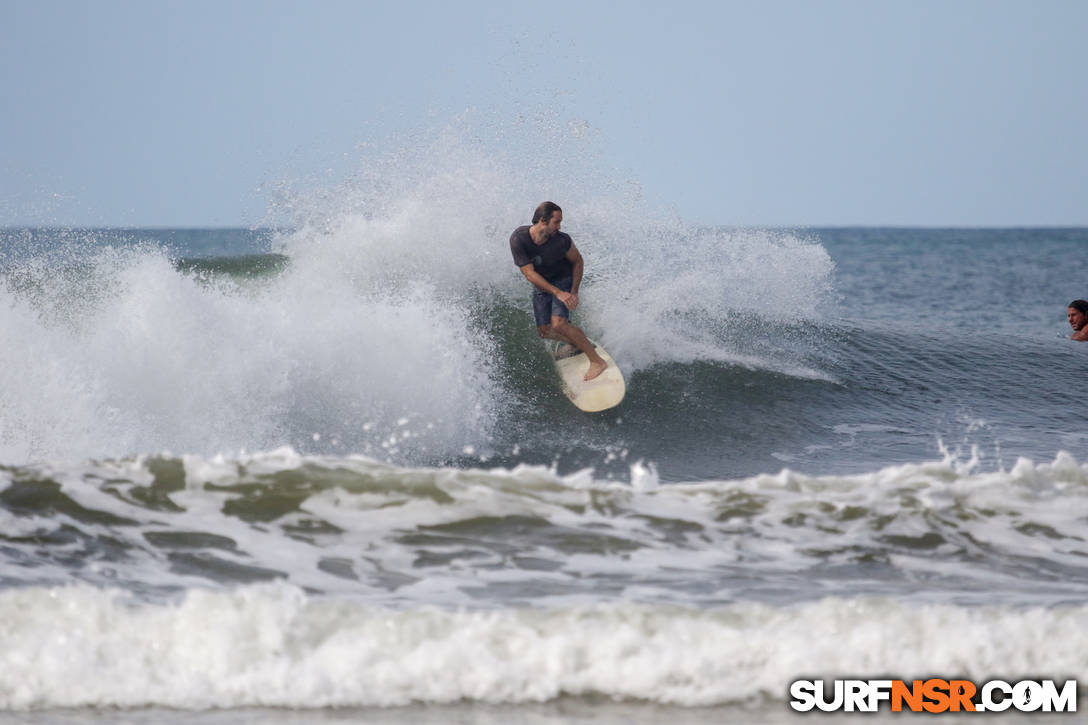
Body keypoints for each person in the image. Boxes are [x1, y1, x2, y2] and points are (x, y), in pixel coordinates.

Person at [510, 201, 607, 381]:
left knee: (559, 325)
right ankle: (577, 341)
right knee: (545, 331)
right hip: (542, 283)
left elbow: (578, 261)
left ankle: (597, 361)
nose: (559, 226)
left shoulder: (562, 241)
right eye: (556, 222)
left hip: (563, 278)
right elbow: (529, 274)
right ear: (542, 221)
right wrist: (556, 292)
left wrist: (573, 291)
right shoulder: (519, 239)